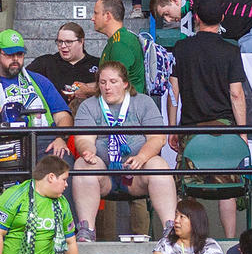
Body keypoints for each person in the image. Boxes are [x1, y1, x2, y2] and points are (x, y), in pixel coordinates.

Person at [69, 61, 176, 241]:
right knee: (82, 164)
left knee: (159, 164)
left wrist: (142, 157)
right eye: (102, 83)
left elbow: (158, 138)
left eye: (113, 82)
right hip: (105, 173)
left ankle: (170, 227)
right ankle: (87, 229)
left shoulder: (143, 102)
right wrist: (87, 151)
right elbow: (84, 139)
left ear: (125, 83)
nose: (107, 87)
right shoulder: (89, 105)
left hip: (136, 175)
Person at [0, 30, 73, 173]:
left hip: (42, 141)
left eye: (19, 54)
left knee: (63, 160)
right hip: (5, 141)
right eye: (9, 54)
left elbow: (63, 116)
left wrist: (60, 138)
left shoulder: (39, 81)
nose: (15, 59)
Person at [25, 23, 96, 115]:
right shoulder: (45, 63)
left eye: (68, 42)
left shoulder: (96, 64)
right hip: (54, 119)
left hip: (89, 119)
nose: (63, 46)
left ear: (81, 41)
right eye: (60, 41)